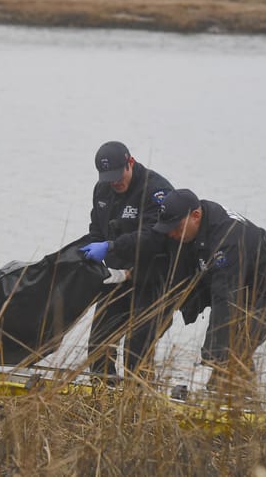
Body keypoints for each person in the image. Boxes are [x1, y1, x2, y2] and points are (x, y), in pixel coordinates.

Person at [153, 189, 266, 391]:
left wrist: (208, 361)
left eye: (176, 228)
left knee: (236, 347)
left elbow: (225, 304)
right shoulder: (191, 226)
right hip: (242, 281)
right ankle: (236, 397)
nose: (172, 233)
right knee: (232, 349)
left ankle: (235, 402)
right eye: (168, 228)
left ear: (196, 216)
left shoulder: (227, 241)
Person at [79, 141, 173, 378]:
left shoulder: (157, 190)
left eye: (119, 175)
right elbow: (97, 228)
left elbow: (154, 237)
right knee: (99, 343)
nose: (115, 182)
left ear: (130, 162)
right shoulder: (102, 190)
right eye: (108, 177)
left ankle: (138, 402)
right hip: (117, 277)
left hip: (153, 279)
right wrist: (93, 254)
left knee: (136, 349)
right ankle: (103, 399)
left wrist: (111, 246)